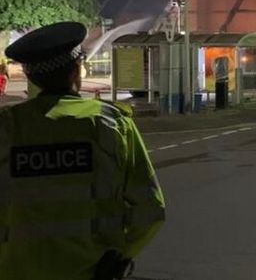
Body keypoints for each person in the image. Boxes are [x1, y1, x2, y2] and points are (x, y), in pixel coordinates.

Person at [0, 22, 165, 280]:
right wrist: (120, 255)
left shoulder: (6, 128)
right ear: (77, 70)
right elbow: (151, 209)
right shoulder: (113, 124)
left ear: (30, 77)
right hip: (93, 272)